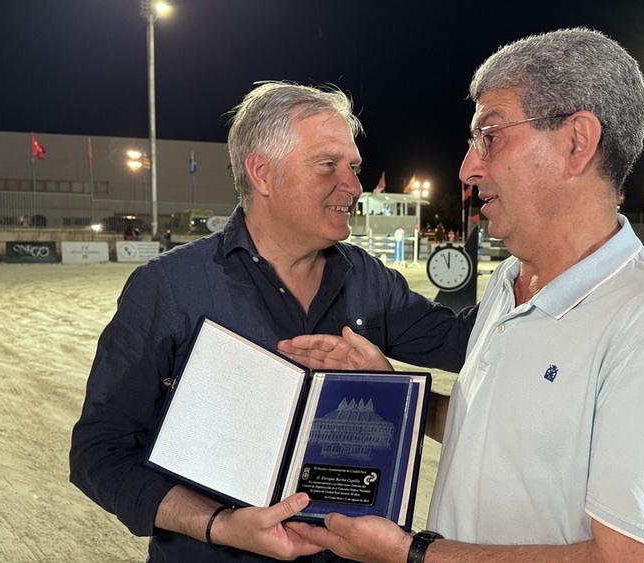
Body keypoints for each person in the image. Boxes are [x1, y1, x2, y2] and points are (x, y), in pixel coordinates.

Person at [281, 28, 644, 562]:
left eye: (489, 136)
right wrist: (393, 394)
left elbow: (639, 557)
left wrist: (413, 553)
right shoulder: (508, 281)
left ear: (576, 143)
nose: (468, 168)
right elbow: (495, 434)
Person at [68, 81, 475, 562]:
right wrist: (218, 524)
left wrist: (532, 265)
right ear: (262, 173)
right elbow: (100, 453)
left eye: (354, 167)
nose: (354, 185)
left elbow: (471, 344)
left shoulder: (369, 280)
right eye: (329, 165)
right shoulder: (169, 288)